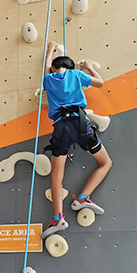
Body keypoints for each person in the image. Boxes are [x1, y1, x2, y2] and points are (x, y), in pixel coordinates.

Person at [40, 41, 113, 239]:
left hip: (61, 126)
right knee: (105, 163)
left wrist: (50, 50)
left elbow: (47, 67)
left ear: (55, 68)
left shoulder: (48, 79)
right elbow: (100, 83)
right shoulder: (76, 75)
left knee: (56, 175)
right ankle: (82, 198)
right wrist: (88, 67)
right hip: (80, 123)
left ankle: (58, 217)